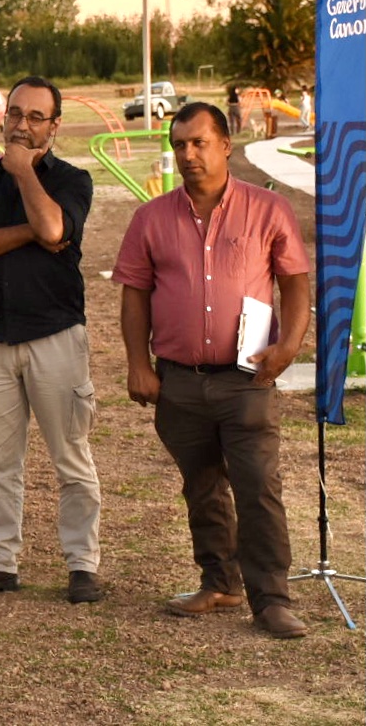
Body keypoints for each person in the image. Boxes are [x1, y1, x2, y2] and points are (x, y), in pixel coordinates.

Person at [112, 102, 312, 639]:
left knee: (257, 487)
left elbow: (294, 281)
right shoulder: (151, 217)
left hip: (247, 378)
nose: (188, 154)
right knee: (201, 485)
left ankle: (271, 600)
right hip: (178, 380)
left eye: (199, 142)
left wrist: (289, 345)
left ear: (226, 144)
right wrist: (138, 365)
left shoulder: (269, 209)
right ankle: (220, 582)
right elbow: (135, 296)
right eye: (180, 144)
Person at [0, 76, 103, 605]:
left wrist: (23, 175)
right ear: (3, 116)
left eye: (37, 117)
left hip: (56, 336)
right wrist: (29, 233)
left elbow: (56, 228)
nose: (23, 124)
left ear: (54, 127)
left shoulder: (73, 181)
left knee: (71, 456)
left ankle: (82, 565)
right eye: (16, 113)